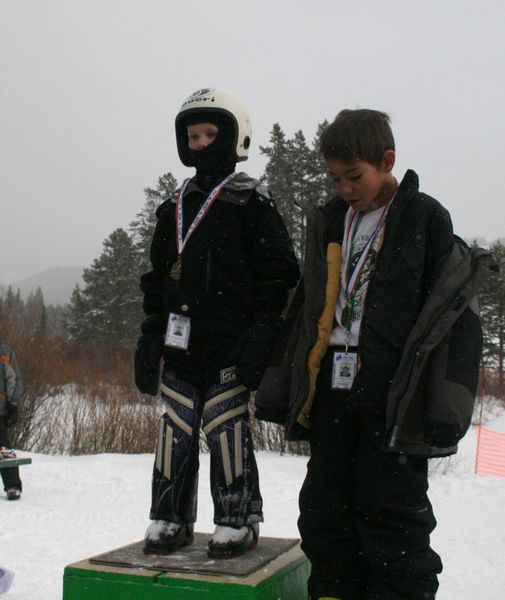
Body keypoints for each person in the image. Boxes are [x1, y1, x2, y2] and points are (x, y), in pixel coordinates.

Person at [255, 109, 490, 599]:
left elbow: (451, 312)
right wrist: (281, 377)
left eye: (354, 175)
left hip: (391, 394)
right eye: (335, 178)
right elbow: (309, 303)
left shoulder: (424, 217)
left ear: (387, 161)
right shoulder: (331, 220)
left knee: (392, 516)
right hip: (334, 393)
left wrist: (445, 400)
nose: (344, 187)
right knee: (324, 509)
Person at [134, 87, 299, 558]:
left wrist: (264, 332)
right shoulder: (173, 207)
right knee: (175, 427)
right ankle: (169, 516)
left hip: (233, 344)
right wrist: (149, 339)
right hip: (180, 343)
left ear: (234, 137)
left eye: (210, 134)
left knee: (226, 424)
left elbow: (280, 275)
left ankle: (237, 517)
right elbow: (157, 279)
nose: (201, 144)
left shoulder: (251, 202)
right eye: (193, 136)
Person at [0, 342, 23, 501]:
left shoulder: (5, 352)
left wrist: (13, 404)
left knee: (4, 448)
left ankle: (13, 485)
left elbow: (14, 379)